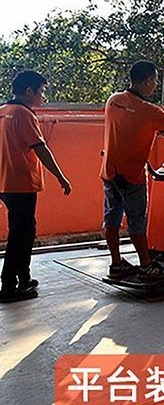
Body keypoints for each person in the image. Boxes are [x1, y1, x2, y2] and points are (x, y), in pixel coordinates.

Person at [101, 60, 164, 280]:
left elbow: (129, 125)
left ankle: (116, 263)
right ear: (148, 80)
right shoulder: (148, 111)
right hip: (131, 175)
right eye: (155, 81)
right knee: (137, 220)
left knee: (112, 219)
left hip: (109, 171)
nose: (155, 85)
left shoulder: (113, 101)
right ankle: (146, 266)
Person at [0, 70, 72, 303]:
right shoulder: (24, 114)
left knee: (24, 231)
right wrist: (61, 177)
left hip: (5, 182)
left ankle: (24, 278)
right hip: (21, 183)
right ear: (29, 91)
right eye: (41, 91)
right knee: (20, 235)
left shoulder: (3, 111)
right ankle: (8, 286)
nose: (43, 96)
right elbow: (41, 149)